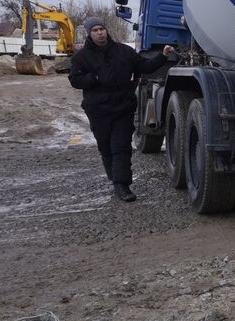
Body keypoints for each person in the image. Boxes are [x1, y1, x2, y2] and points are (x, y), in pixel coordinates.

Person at [68, 17, 175, 202]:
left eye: (102, 29)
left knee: (121, 147)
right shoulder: (81, 57)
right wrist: (93, 78)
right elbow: (75, 80)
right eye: (95, 30)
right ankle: (114, 178)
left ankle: (122, 185)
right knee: (106, 147)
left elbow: (145, 65)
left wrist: (163, 55)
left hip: (123, 108)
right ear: (89, 33)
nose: (100, 32)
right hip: (98, 110)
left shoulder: (124, 51)